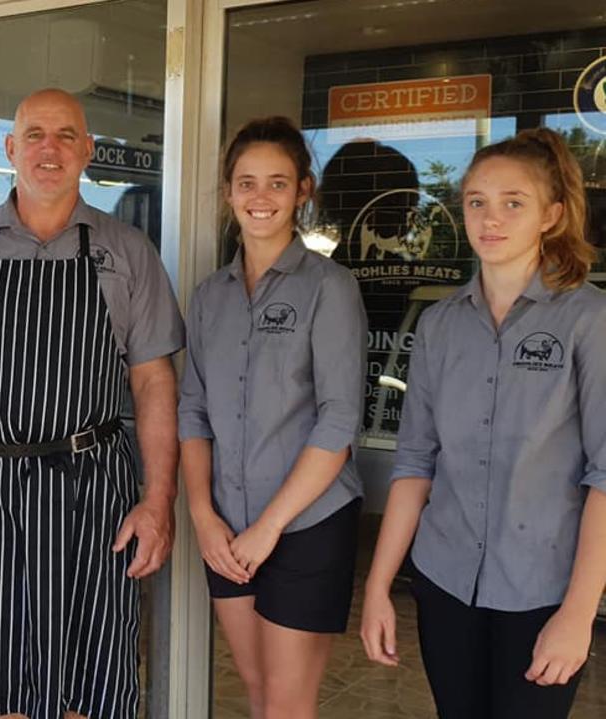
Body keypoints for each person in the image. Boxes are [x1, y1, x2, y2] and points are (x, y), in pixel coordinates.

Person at [0, 88, 184, 719]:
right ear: (10, 149)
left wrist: (158, 501)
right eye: (34, 134)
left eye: (65, 135)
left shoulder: (129, 253)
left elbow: (154, 383)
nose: (49, 149)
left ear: (88, 150)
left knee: (89, 682)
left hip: (95, 490)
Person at [360, 128, 606, 719]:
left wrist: (577, 614)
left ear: (551, 214)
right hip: (445, 583)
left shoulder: (588, 320)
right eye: (476, 201)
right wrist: (377, 586)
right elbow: (416, 462)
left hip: (541, 592)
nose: (490, 219)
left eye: (512, 203)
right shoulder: (441, 325)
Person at [178, 116, 366, 719]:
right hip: (229, 526)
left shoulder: (329, 288)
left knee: (287, 704)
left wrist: (269, 528)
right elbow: (194, 410)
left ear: (302, 192)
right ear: (229, 192)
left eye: (278, 184)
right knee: (257, 693)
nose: (261, 198)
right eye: (247, 183)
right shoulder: (210, 296)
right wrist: (204, 517)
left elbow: (339, 421)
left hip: (307, 523)